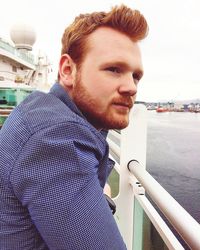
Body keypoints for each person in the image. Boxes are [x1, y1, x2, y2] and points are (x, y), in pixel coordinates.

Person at [0, 4, 148, 250]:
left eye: (136, 76)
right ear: (68, 70)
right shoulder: (54, 139)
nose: (131, 87)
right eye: (114, 69)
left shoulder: (40, 113)